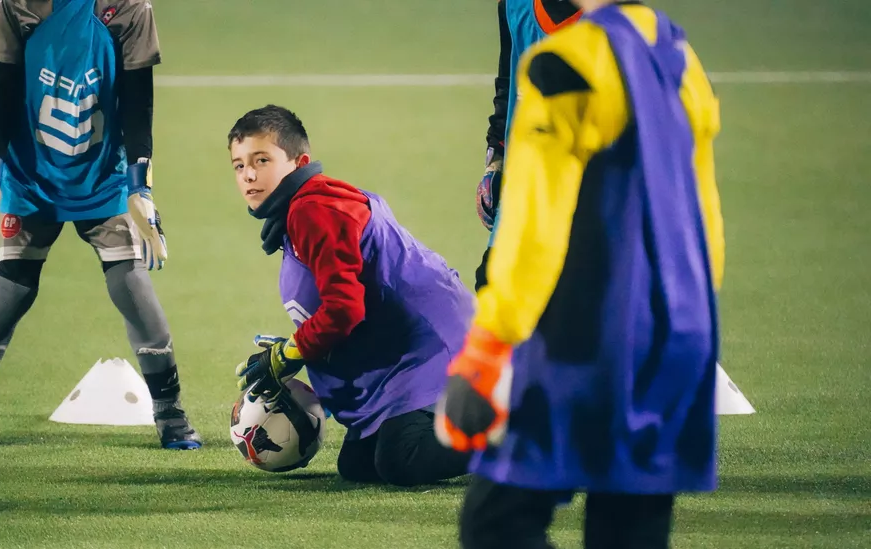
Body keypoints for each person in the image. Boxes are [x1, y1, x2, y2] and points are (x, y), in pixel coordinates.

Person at [437, 0, 725, 547]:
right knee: (628, 530)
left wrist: (488, 344)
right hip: (677, 333)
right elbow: (702, 216)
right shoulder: (682, 57)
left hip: (586, 340)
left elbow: (534, 230)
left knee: (494, 523)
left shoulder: (564, 65)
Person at [0, 0, 201, 451]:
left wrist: (141, 186)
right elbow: (1, 94)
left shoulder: (131, 9)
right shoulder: (14, 6)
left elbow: (138, 101)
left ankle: (170, 414)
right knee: (13, 290)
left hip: (103, 177)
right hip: (30, 176)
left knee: (131, 286)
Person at [228, 105, 473, 487]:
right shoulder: (300, 212)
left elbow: (344, 309)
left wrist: (291, 352)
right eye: (239, 166)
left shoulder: (314, 210)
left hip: (433, 343)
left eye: (262, 160)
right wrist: (299, 348)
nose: (249, 175)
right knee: (358, 465)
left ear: (299, 162)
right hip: (403, 347)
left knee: (401, 459)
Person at [475, 0, 582, 290]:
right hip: (523, 189)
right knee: (491, 285)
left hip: (587, 198)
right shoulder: (514, 6)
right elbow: (508, 82)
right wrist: (495, 160)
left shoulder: (616, 25)